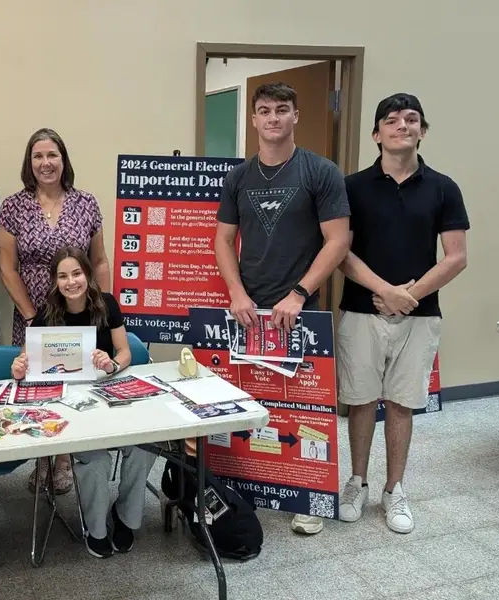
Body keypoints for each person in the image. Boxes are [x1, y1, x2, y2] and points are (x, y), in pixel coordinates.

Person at [213, 82, 351, 535]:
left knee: (305, 409)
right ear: (253, 119)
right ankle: (253, 485)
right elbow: (222, 240)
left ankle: (308, 495)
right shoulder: (238, 178)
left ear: (296, 116)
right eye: (265, 111)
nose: (273, 118)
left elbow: (338, 241)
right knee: (251, 401)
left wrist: (299, 292)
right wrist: (235, 292)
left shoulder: (320, 171)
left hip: (301, 310)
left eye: (282, 110)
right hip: (248, 310)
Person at [336, 93, 469, 534]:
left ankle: (395, 489)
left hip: (420, 314)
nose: (401, 126)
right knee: (358, 400)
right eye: (391, 120)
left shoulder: (443, 187)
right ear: (376, 134)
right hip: (361, 310)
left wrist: (407, 297)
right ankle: (357, 482)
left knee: (400, 404)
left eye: (411, 119)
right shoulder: (351, 186)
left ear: (422, 130)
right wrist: (384, 291)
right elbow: (340, 251)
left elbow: (455, 257)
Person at [11, 246, 155, 558]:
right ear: (54, 282)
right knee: (97, 459)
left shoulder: (107, 304)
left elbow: (125, 352)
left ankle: (126, 518)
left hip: (110, 391)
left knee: (143, 447)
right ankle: (96, 527)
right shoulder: (46, 313)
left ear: (87, 275)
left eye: (76, 273)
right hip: (72, 403)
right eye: (63, 276)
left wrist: (112, 365)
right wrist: (18, 367)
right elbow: (24, 361)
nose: (71, 281)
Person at [0, 127, 111, 495]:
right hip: (32, 314)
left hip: (80, 313)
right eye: (38, 156)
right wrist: (33, 318)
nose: (46, 163)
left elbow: (99, 260)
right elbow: (7, 267)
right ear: (29, 163)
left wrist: (103, 308)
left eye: (53, 155)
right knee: (37, 388)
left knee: (71, 385)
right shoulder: (13, 207)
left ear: (64, 160)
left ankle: (64, 460)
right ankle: (42, 458)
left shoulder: (86, 203)